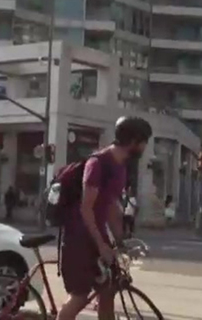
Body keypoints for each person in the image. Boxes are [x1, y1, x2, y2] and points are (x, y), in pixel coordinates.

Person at [56, 116, 152, 320]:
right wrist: (101, 245)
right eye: (144, 142)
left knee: (108, 292)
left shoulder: (120, 167)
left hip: (97, 237)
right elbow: (86, 208)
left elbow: (111, 208)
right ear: (134, 140)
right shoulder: (97, 163)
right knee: (79, 297)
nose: (145, 147)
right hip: (78, 238)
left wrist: (120, 241)